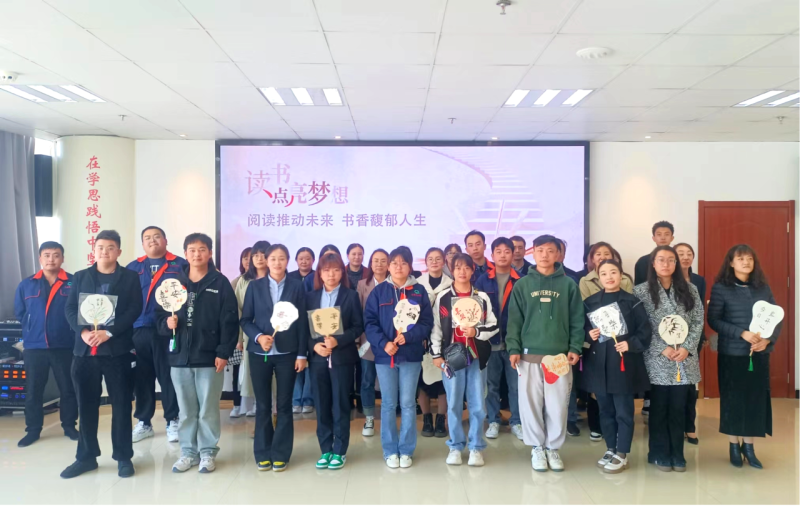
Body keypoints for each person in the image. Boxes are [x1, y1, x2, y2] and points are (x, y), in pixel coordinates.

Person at [61, 230, 143, 479]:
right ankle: (86, 457)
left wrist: (110, 332)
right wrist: (83, 332)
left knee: (121, 404)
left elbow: (134, 309)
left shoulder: (129, 277)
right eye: (100, 247)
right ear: (93, 250)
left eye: (110, 247)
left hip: (117, 352)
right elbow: (70, 308)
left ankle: (123, 457)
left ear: (119, 251)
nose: (104, 252)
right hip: (85, 352)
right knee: (86, 405)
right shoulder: (81, 276)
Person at [155, 233, 238, 474]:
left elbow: (230, 321)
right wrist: (166, 324)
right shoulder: (173, 284)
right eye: (192, 250)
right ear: (185, 253)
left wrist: (223, 352)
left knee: (208, 409)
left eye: (202, 249)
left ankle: (208, 452)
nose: (197, 254)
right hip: (179, 357)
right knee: (186, 410)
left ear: (210, 253)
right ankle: (188, 453)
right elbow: (158, 317)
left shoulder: (220, 283)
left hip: (210, 357)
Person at [506, 234, 583, 473]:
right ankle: (537, 447)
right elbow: (514, 320)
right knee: (530, 404)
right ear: (533, 252)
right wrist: (513, 348)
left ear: (558, 254)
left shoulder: (569, 284)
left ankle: (553, 447)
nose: (545, 255)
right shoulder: (522, 285)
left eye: (550, 250)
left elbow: (577, 319)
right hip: (528, 355)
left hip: (559, 358)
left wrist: (575, 347)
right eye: (540, 250)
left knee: (558, 405)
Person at [708, 244, 780, 469]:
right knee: (733, 400)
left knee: (754, 400)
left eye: (749, 258)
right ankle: (733, 445)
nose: (746, 262)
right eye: (740, 259)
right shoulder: (721, 288)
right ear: (731, 263)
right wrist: (741, 333)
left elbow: (776, 317)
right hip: (732, 354)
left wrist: (768, 340)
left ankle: (749, 447)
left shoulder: (763, 288)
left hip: (759, 354)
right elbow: (714, 320)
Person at [633, 246, 702, 473]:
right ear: (653, 264)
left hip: (683, 357)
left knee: (679, 407)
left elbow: (698, 321)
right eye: (661, 260)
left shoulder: (690, 290)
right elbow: (640, 325)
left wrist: (687, 348)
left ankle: (677, 454)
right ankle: (658, 452)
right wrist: (661, 348)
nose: (666, 264)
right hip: (657, 358)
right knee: (659, 407)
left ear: (677, 264)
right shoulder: (641, 291)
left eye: (671, 260)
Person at [241, 244, 309, 473]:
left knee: (284, 404)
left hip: (287, 353)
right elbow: (246, 320)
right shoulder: (255, 286)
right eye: (273, 259)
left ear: (287, 261)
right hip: (259, 353)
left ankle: (281, 454)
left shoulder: (296, 286)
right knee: (262, 405)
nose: (277, 263)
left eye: (281, 258)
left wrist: (302, 354)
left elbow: (302, 323)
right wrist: (259, 337)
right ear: (266, 261)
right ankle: (262, 453)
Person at [364, 247, 433, 469]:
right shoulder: (379, 292)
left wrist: (409, 336)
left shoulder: (419, 291)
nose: (398, 267)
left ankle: (406, 450)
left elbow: (427, 323)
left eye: (403, 263)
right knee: (388, 404)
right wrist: (384, 343)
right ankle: (389, 450)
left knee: (408, 403)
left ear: (410, 266)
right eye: (394, 263)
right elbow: (370, 323)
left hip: (411, 355)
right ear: (388, 266)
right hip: (385, 357)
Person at [582, 259, 651, 474]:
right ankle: (610, 448)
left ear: (621, 275)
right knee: (605, 410)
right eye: (604, 273)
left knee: (623, 411)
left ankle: (622, 453)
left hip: (623, 363)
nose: (609, 277)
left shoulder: (633, 302)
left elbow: (645, 331)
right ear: (598, 277)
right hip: (599, 363)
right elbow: (580, 328)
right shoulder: (591, 302)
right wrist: (589, 334)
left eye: (613, 272)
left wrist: (630, 344)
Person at [430, 253, 498, 466]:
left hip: (477, 357)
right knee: (453, 404)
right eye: (457, 267)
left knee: (477, 404)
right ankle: (455, 446)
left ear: (472, 270)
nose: (462, 272)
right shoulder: (443, 297)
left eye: (466, 268)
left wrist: (476, 332)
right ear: (452, 270)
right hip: (452, 359)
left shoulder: (481, 297)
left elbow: (494, 325)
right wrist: (436, 355)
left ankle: (476, 447)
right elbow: (436, 328)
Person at [14, 241, 78, 447]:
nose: (51, 259)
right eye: (47, 255)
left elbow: (79, 311)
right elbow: (20, 313)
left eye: (56, 255)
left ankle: (69, 426)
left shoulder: (74, 282)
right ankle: (33, 430)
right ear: (40, 258)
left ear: (62, 258)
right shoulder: (27, 284)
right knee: (34, 390)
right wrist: (33, 329)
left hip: (65, 345)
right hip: (35, 347)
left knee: (68, 388)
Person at [127, 226, 187, 444]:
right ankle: (144, 422)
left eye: (156, 237)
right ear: (143, 244)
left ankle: (172, 420)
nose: (152, 241)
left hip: (166, 329)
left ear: (165, 240)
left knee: (168, 377)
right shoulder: (133, 267)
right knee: (142, 378)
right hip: (138, 329)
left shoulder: (180, 264)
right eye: (147, 238)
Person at [307, 252, 364, 470]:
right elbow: (304, 329)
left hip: (342, 359)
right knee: (321, 405)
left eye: (336, 270)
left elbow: (358, 327)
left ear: (342, 273)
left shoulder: (350, 296)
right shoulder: (311, 297)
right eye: (326, 270)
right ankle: (325, 449)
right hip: (318, 359)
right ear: (320, 273)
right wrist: (314, 346)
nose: (331, 274)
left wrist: (337, 341)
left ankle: (339, 451)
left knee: (340, 405)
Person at [575, 241, 632, 439]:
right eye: (597, 254)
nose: (602, 257)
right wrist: (592, 331)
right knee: (598, 389)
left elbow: (630, 309)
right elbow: (584, 311)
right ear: (591, 259)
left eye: (606, 253)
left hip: (620, 340)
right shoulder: (585, 282)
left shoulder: (626, 282)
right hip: (597, 339)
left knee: (619, 390)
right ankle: (598, 427)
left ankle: (620, 436)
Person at [474, 237, 523, 441]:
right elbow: (476, 311)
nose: (503, 255)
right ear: (492, 255)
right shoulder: (482, 280)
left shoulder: (521, 280)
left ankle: (517, 422)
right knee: (491, 386)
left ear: (513, 254)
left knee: (516, 386)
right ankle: (493, 420)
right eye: (498, 251)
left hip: (514, 344)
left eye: (507, 251)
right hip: (490, 343)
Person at [416, 247, 452, 439]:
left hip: (444, 339)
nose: (435, 262)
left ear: (444, 261)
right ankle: (427, 419)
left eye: (438, 258)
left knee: (442, 381)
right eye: (431, 259)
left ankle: (440, 419)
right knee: (422, 381)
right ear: (426, 262)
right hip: (421, 338)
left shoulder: (451, 283)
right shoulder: (418, 283)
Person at [234, 242, 272, 418]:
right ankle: (256, 405)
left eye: (263, 255)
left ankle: (271, 408)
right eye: (255, 255)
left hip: (273, 333)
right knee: (252, 371)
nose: (259, 259)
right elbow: (238, 310)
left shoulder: (276, 277)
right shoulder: (244, 280)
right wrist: (239, 338)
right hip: (251, 333)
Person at [675, 242, 706, 446]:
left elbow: (699, 312)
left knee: (689, 385)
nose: (685, 257)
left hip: (692, 340)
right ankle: (676, 426)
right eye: (681, 253)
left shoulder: (699, 281)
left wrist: (696, 339)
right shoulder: (666, 280)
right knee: (674, 387)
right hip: (670, 341)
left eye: (689, 253)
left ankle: (690, 426)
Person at [355, 248, 389, 437]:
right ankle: (369, 418)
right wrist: (357, 340)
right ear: (370, 263)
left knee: (388, 381)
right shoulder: (362, 284)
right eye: (376, 260)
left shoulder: (394, 283)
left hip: (390, 342)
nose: (379, 264)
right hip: (367, 341)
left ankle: (387, 418)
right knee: (367, 379)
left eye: (383, 260)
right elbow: (357, 313)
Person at [634, 221, 675, 285]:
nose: (663, 238)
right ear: (653, 238)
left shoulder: (679, 259)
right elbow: (638, 286)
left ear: (672, 238)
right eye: (659, 234)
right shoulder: (642, 261)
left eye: (666, 234)